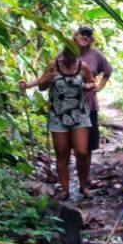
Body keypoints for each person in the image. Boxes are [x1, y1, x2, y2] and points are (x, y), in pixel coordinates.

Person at [19, 46, 97, 200]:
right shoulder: (53, 65)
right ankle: (65, 189)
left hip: (79, 114)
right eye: (67, 53)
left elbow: (92, 82)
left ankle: (83, 186)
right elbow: (41, 83)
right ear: (63, 53)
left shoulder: (83, 67)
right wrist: (27, 84)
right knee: (61, 152)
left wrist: (87, 86)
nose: (70, 57)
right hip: (58, 115)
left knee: (82, 152)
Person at [74, 25, 113, 159]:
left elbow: (108, 71)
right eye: (82, 34)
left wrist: (100, 86)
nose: (85, 37)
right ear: (76, 36)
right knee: (68, 144)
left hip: (88, 104)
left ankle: (85, 171)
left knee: (87, 145)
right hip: (68, 105)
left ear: (91, 39)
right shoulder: (68, 51)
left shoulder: (95, 54)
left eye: (88, 35)